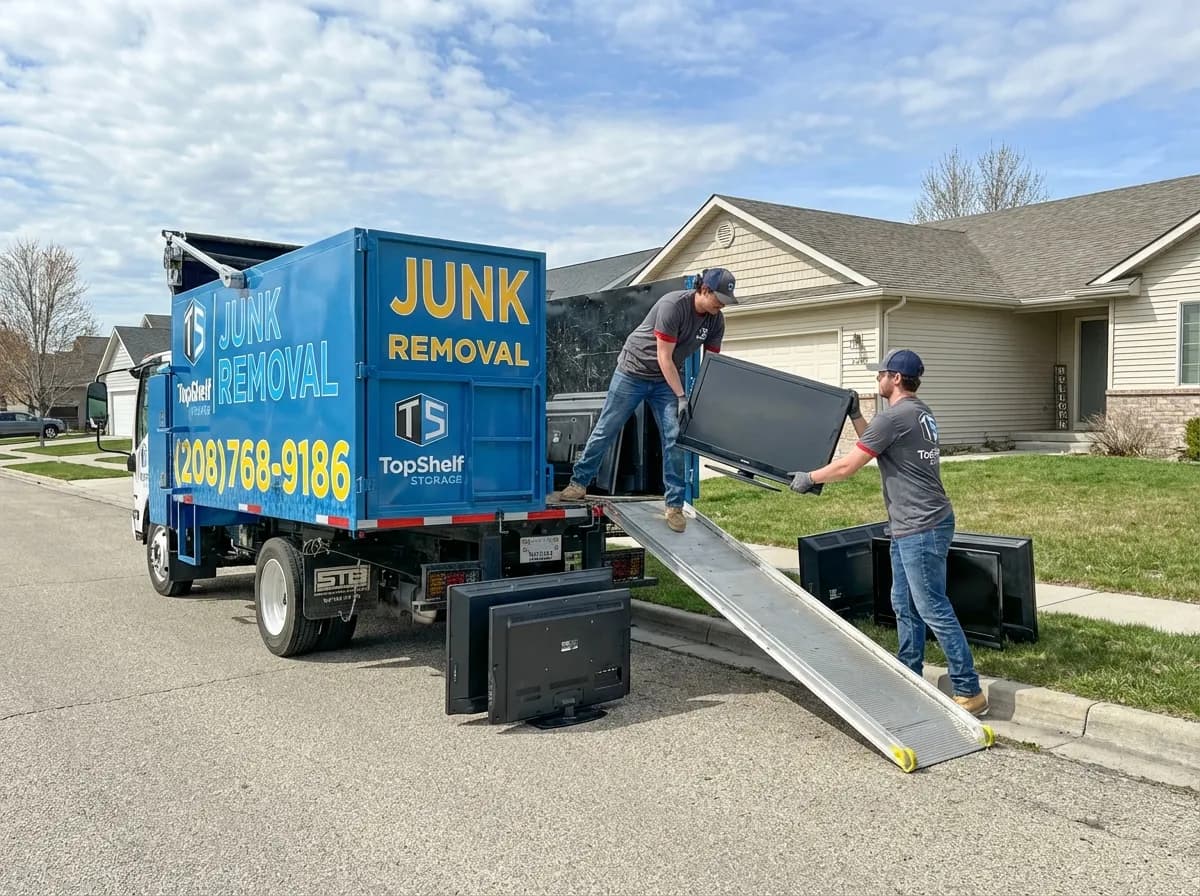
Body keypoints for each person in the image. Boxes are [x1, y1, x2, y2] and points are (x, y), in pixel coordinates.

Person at [787, 348, 987, 717]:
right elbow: (880, 447)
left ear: (895, 378)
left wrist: (809, 477)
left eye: (881, 373)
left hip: (919, 525)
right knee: (903, 603)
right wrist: (858, 415)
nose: (877, 379)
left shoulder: (896, 417)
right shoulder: (919, 412)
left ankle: (968, 688)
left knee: (932, 606)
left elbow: (849, 465)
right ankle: (908, 671)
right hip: (918, 522)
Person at [559, 267, 738, 532]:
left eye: (726, 300)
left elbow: (712, 363)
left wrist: (707, 400)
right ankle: (578, 483)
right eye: (719, 298)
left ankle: (674, 506)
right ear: (704, 290)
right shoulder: (673, 306)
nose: (722, 304)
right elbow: (663, 358)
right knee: (607, 428)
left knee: (674, 438)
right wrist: (681, 396)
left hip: (664, 379)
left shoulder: (715, 320)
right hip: (633, 371)